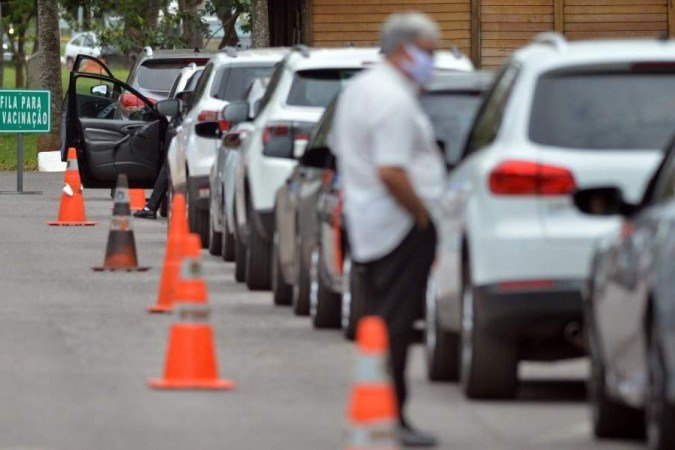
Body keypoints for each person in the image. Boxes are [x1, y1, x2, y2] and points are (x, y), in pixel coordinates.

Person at [332, 12, 444, 448]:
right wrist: (421, 214)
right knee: (397, 325)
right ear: (405, 51)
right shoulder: (392, 99)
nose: (431, 63)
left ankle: (386, 408)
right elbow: (392, 171)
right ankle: (391, 414)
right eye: (429, 53)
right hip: (399, 226)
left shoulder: (362, 89)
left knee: (385, 322)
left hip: (370, 223)